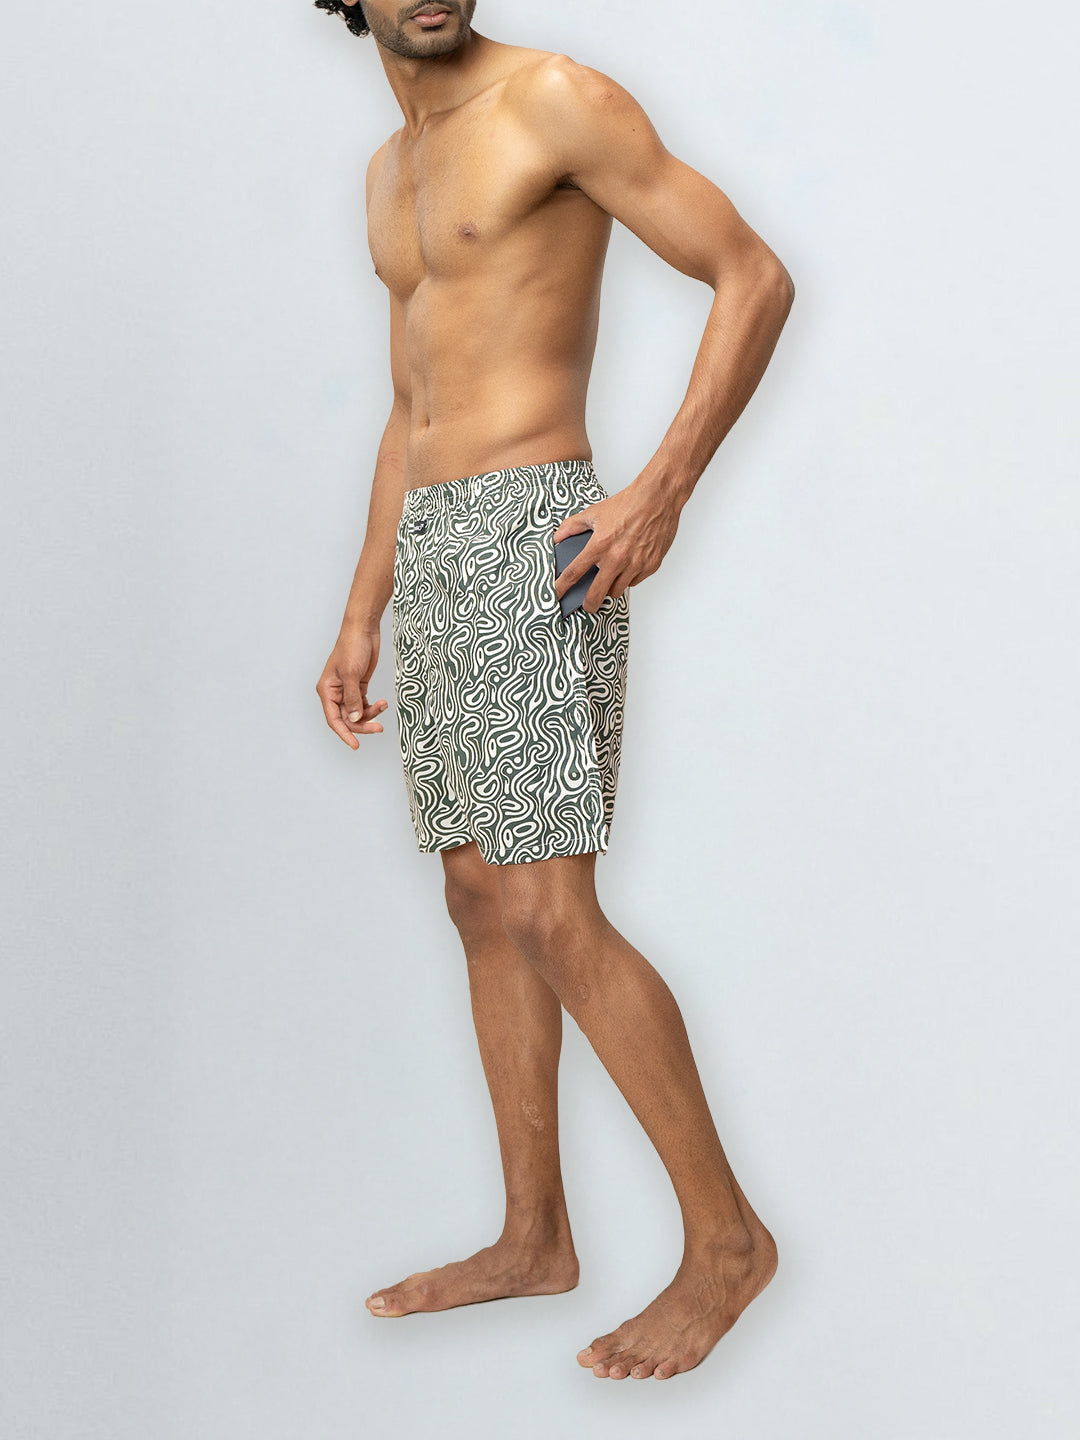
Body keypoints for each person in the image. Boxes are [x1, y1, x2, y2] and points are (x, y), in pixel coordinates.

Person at [313, 0, 794, 1383]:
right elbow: (410, 408)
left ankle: (727, 1243)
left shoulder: (555, 100)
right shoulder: (389, 172)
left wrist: (661, 488)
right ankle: (534, 1237)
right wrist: (362, 612)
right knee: (478, 897)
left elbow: (753, 276)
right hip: (437, 547)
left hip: (536, 533)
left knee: (545, 904)